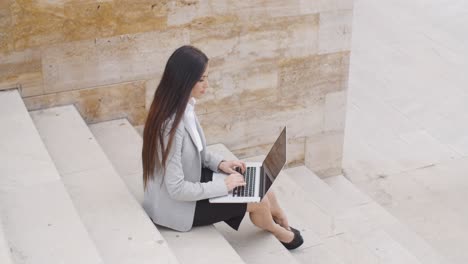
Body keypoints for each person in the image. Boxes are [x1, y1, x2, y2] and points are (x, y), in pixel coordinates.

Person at [141, 45, 303, 250]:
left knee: (262, 183)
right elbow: (176, 189)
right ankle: (276, 229)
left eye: (206, 77)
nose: (207, 85)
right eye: (201, 79)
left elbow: (196, 151)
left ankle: (280, 217)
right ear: (183, 81)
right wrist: (224, 186)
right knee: (258, 199)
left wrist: (221, 164)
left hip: (194, 179)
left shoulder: (184, 106)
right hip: (179, 206)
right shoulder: (170, 126)